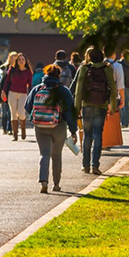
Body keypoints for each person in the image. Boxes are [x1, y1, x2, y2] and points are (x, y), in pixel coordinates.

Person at [25, 64, 79, 193]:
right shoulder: (63, 90)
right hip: (58, 126)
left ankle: (43, 181)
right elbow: (69, 113)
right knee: (56, 155)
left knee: (44, 154)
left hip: (40, 126)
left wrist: (38, 115)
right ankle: (56, 184)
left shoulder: (38, 88)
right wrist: (73, 130)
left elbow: (28, 106)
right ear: (58, 76)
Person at [73, 47, 118, 176]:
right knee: (98, 134)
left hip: (86, 104)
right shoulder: (107, 69)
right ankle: (95, 166)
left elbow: (78, 90)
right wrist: (113, 106)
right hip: (101, 105)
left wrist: (77, 108)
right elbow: (113, 89)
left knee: (87, 135)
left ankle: (85, 165)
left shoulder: (84, 68)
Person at [2, 52, 33, 140]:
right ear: (16, 61)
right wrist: (4, 91)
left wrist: (31, 95)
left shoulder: (28, 72)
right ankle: (15, 134)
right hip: (12, 93)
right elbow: (7, 82)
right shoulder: (12, 70)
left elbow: (30, 85)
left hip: (23, 94)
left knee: (21, 113)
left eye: (23, 59)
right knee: (13, 114)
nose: (21, 61)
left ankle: (23, 129)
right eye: (19, 60)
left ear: (25, 61)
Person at [0, 52, 17, 135]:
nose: (13, 60)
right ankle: (4, 127)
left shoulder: (18, 69)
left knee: (11, 112)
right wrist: (0, 88)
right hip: (4, 91)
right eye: (12, 58)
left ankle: (10, 129)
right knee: (4, 112)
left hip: (13, 91)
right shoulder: (3, 67)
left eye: (15, 58)